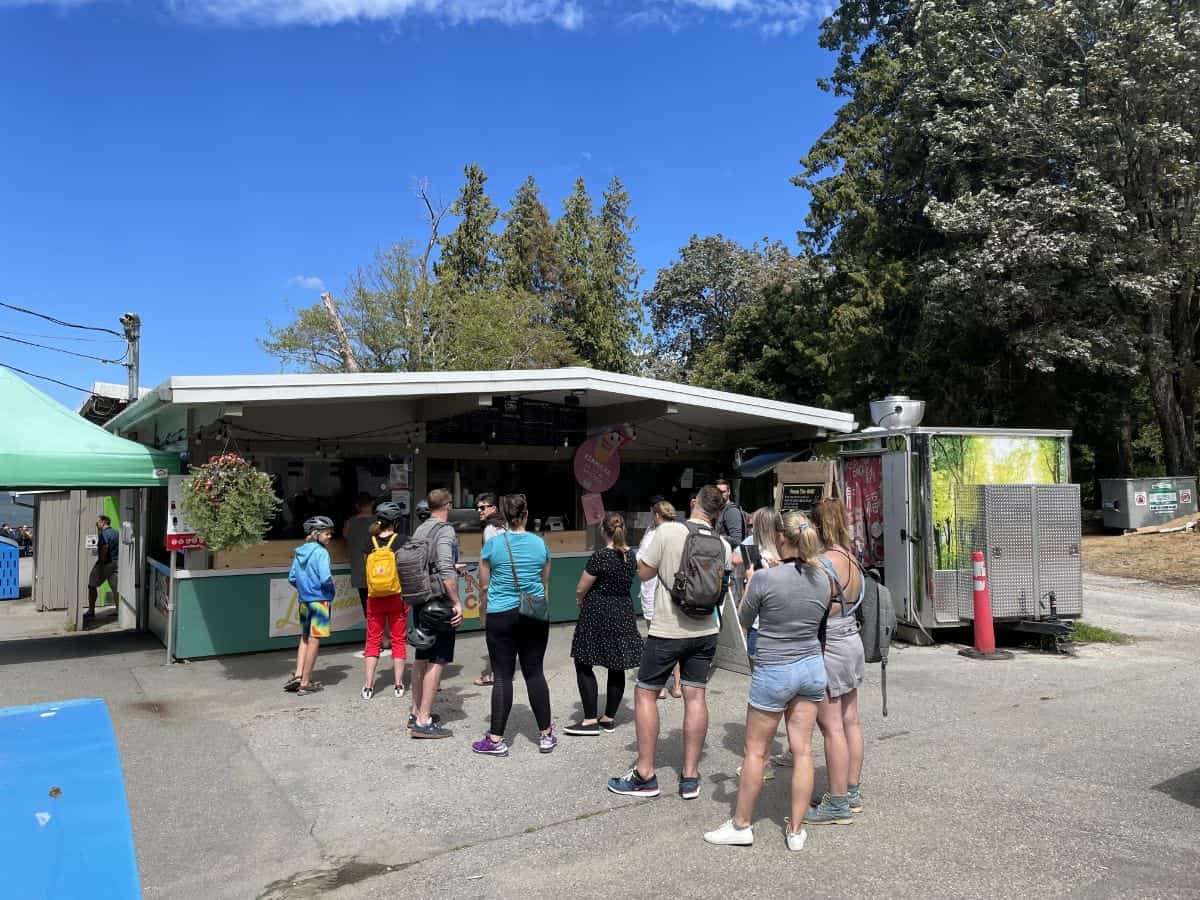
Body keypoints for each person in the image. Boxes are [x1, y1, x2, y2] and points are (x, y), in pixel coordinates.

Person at [703, 510, 833, 850]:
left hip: (774, 668)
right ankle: (796, 830)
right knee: (803, 750)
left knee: (755, 752)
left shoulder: (763, 578)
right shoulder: (823, 578)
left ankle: (742, 824)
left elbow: (743, 619)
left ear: (781, 539)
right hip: (811, 668)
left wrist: (750, 579)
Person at [608, 484, 731, 800]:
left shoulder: (668, 532)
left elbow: (645, 574)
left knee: (646, 694)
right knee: (695, 696)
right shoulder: (723, 544)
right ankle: (690, 776)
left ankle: (646, 773)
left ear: (693, 503)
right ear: (718, 512)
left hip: (668, 630)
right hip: (706, 630)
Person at [473, 493, 556, 756]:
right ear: (526, 514)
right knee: (534, 672)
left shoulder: (493, 545)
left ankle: (496, 739)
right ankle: (545, 735)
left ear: (504, 516)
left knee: (502, 675)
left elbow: (484, 585)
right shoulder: (540, 544)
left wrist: (483, 612)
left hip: (501, 613)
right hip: (533, 612)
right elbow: (544, 582)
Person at [808, 497, 867, 823]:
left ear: (818, 525)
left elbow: (812, 607)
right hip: (852, 640)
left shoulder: (824, 563)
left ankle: (838, 803)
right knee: (850, 721)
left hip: (829, 644)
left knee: (830, 726)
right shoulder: (851, 557)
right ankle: (851, 789)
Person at [565, 513, 644, 736]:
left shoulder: (600, 556)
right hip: (622, 611)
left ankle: (590, 719)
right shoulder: (632, 556)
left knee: (583, 660)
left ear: (603, 531)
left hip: (597, 611)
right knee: (616, 664)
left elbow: (582, 587)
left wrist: (580, 600)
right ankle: (608, 717)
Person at [408, 489, 464, 738]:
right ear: (448, 505)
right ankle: (423, 721)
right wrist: (456, 602)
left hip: (420, 599)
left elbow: (429, 563)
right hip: (438, 601)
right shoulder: (445, 530)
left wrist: (452, 567)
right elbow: (442, 567)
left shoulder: (420, 529)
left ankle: (415, 711)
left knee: (422, 654)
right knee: (438, 658)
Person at [360, 502, 408, 701]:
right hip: (397, 596)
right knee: (398, 640)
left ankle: (368, 686)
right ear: (396, 522)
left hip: (374, 598)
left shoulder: (368, 542)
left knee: (372, 641)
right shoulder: (403, 540)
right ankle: (398, 684)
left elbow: (367, 568)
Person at [284, 516, 337, 696]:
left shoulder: (300, 552)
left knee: (305, 637)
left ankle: (299, 674)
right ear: (316, 534)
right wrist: (331, 591)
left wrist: (304, 589)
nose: (330, 537)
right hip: (320, 601)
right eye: (327, 533)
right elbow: (325, 578)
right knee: (315, 639)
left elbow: (292, 578)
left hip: (304, 601)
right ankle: (306, 682)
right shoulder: (322, 553)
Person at [636, 498, 681, 699]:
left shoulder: (652, 536)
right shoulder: (683, 532)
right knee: (676, 639)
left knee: (656, 641)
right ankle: (678, 685)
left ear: (656, 515)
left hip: (654, 591)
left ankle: (660, 686)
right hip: (677, 591)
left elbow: (643, 567)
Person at [473, 492, 505, 687]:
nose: (479, 511)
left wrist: (483, 594)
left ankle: (495, 673)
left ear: (493, 508)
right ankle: (501, 670)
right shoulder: (506, 526)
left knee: (493, 632)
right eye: (478, 507)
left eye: (483, 507)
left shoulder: (490, 529)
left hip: (495, 585)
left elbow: (489, 561)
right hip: (508, 584)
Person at [344, 493, 376, 619]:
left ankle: (373, 635)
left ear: (357, 506)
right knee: (381, 606)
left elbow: (345, 536)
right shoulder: (379, 522)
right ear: (372, 503)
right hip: (379, 570)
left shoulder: (349, 523)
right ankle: (382, 636)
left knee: (367, 607)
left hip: (359, 570)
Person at [84, 515, 120, 621]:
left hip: (105, 563)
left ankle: (91, 611)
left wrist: (101, 566)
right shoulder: (116, 533)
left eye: (98, 522)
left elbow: (104, 547)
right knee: (115, 588)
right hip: (115, 563)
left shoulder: (104, 534)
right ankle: (118, 610)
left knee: (91, 586)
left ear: (104, 522)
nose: (97, 523)